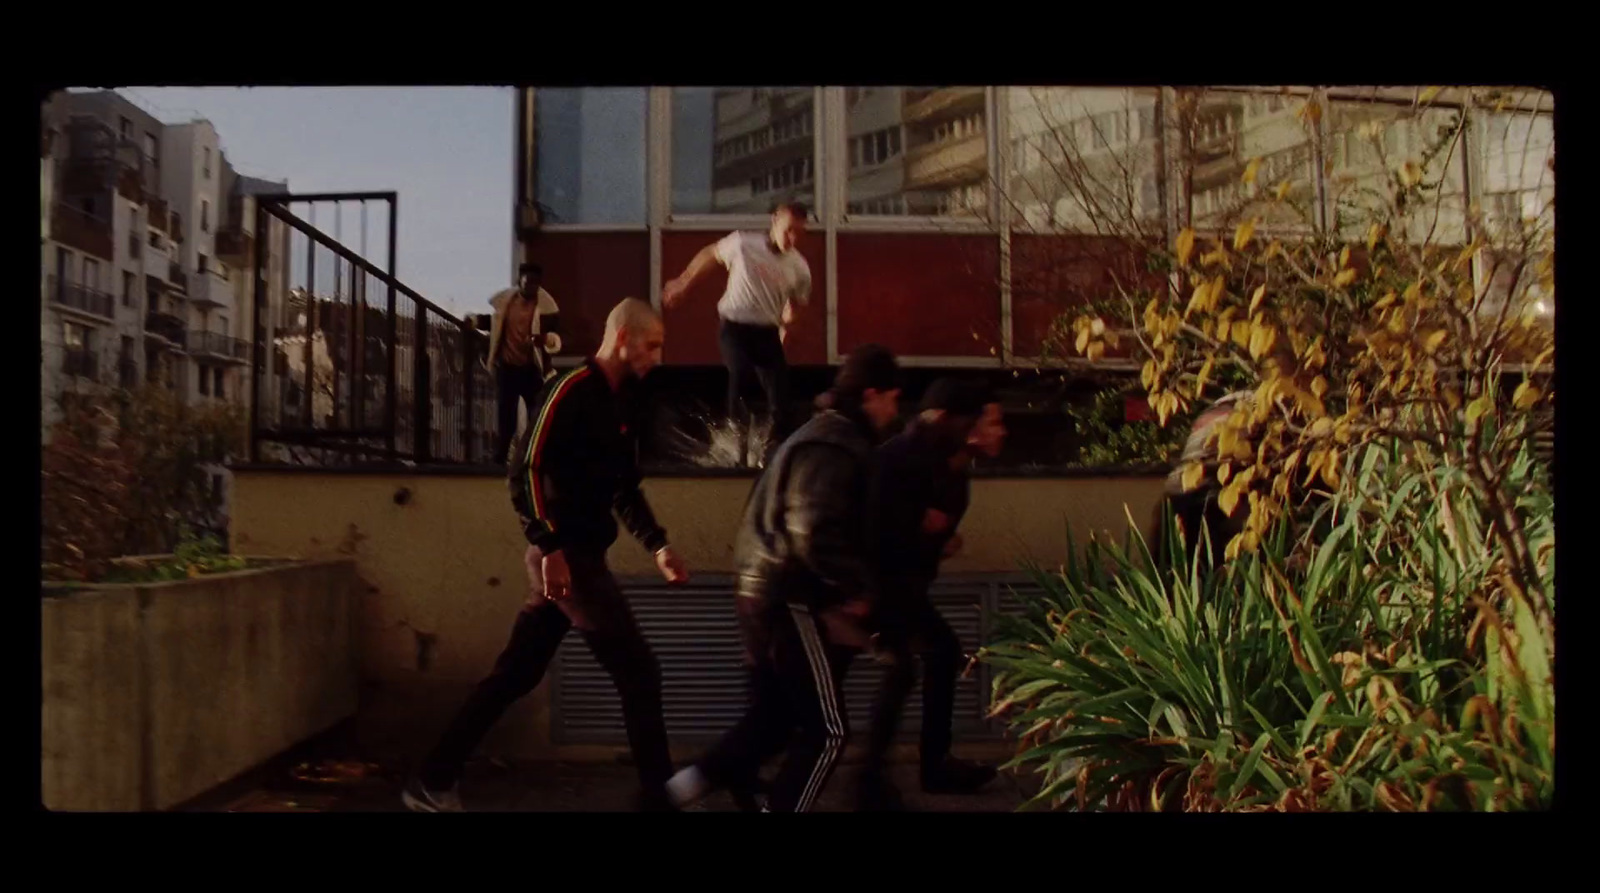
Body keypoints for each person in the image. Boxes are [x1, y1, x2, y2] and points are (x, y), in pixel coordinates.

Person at [404, 298, 690, 813]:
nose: (656, 357)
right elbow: (526, 469)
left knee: (515, 674)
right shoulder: (567, 390)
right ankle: (660, 798)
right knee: (639, 673)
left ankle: (431, 777)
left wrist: (658, 544)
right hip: (568, 560)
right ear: (623, 337)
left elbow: (625, 488)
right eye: (652, 345)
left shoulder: (623, 404)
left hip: (578, 559)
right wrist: (550, 546)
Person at [663, 344, 902, 813]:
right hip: (790, 594)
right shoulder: (835, 441)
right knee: (828, 732)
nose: (895, 412)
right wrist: (857, 588)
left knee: (772, 722)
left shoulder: (817, 435)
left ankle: (673, 793)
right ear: (872, 395)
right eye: (893, 399)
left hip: (763, 589)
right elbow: (812, 529)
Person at [855, 378, 1008, 810]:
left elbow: (931, 536)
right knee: (918, 660)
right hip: (872, 586)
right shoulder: (904, 458)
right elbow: (876, 526)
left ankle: (917, 768)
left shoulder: (953, 471)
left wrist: (939, 540)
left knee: (930, 657)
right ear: (965, 424)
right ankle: (883, 775)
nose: (1001, 430)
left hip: (902, 587)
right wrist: (920, 532)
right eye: (991, 421)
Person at [661, 201, 812, 467]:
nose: (792, 239)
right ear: (775, 221)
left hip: (767, 332)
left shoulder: (799, 268)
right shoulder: (743, 244)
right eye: (789, 230)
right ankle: (735, 438)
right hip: (735, 327)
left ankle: (773, 450)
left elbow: (797, 307)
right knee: (740, 373)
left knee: (780, 394)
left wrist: (788, 328)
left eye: (799, 233)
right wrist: (683, 283)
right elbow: (710, 255)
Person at [479, 262, 562, 463]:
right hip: (507, 367)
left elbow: (555, 336)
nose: (531, 286)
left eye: (535, 282)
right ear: (520, 281)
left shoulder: (545, 309)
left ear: (539, 284)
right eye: (527, 281)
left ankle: (537, 454)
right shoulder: (507, 303)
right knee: (506, 414)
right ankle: (501, 456)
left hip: (530, 368)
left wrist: (545, 339)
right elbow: (494, 324)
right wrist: (474, 320)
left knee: (538, 412)